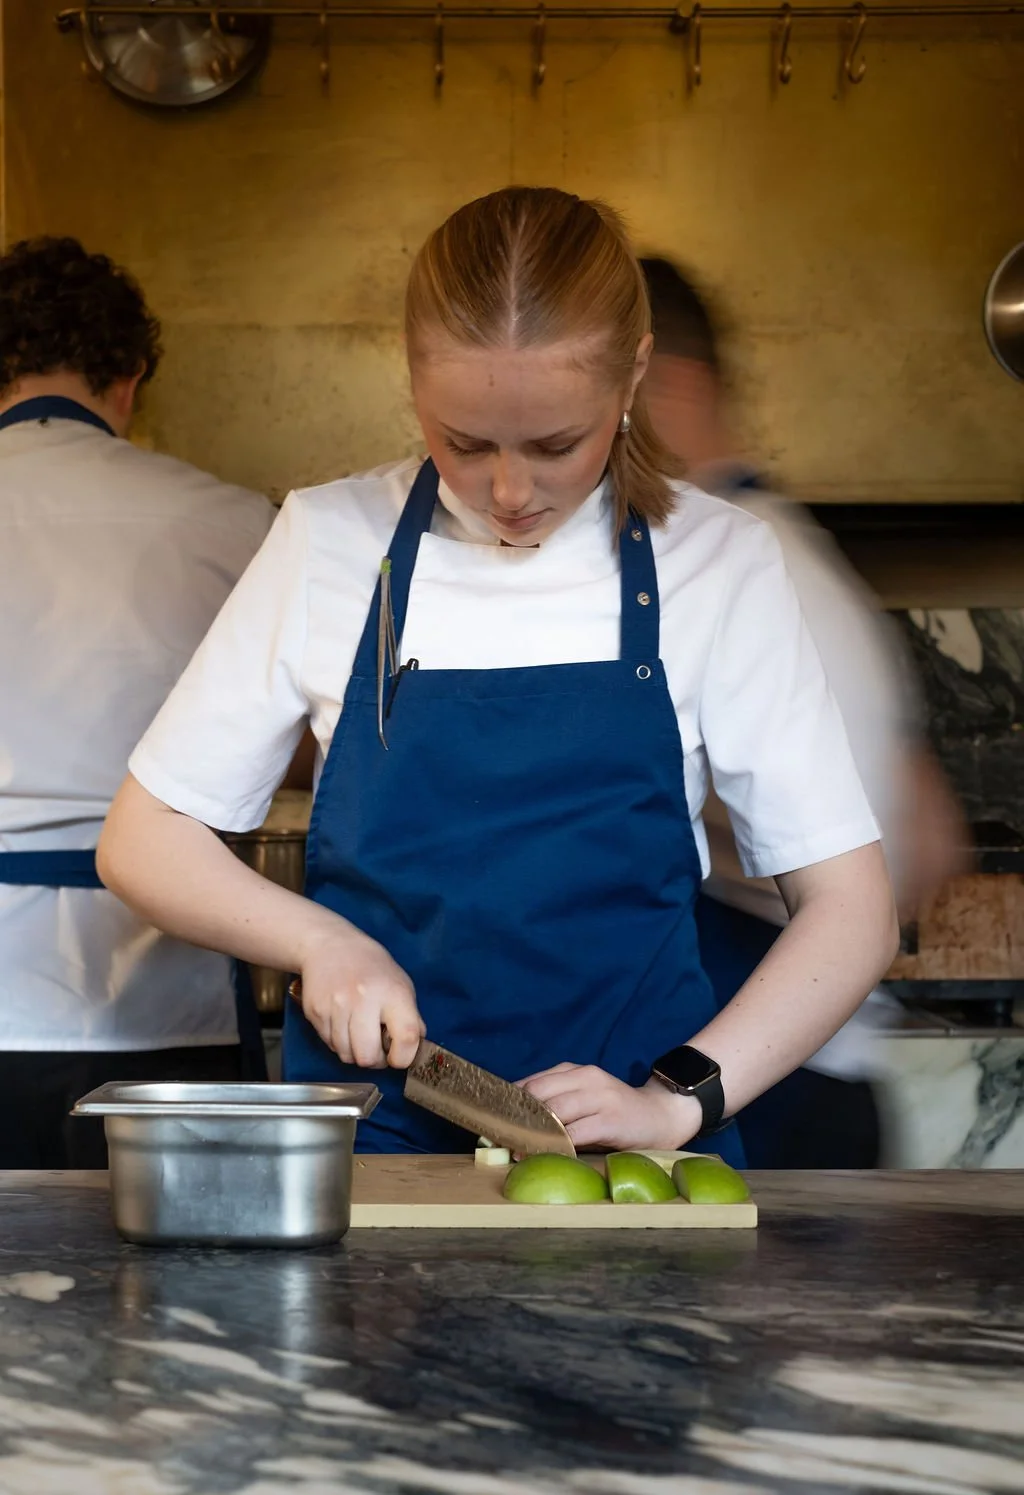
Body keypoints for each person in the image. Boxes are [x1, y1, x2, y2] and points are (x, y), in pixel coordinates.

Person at [98, 187, 899, 1160]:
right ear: (411, 382)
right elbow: (146, 836)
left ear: (632, 375)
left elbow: (852, 910)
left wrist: (678, 1100)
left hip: (626, 1166)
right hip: (376, 1142)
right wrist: (320, 944)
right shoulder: (330, 540)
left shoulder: (716, 561)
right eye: (464, 443)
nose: (510, 493)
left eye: (557, 444)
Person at [640, 255, 966, 1167]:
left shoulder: (706, 568)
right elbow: (930, 835)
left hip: (751, 1075)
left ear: (663, 383)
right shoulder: (814, 561)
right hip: (840, 1076)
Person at [0, 236, 276, 1167]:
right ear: (131, 378)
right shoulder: (239, 522)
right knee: (177, 1298)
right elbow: (322, 744)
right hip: (169, 1003)